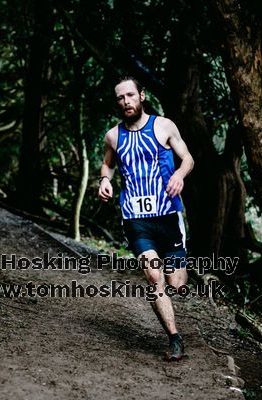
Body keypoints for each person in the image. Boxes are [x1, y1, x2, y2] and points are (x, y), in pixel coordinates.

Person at [98, 77, 194, 361]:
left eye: (130, 95)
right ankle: (174, 338)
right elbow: (107, 163)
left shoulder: (164, 126)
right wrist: (105, 180)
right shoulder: (113, 136)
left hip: (168, 215)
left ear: (141, 96)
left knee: (177, 284)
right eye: (120, 98)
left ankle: (174, 281)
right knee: (155, 277)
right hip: (136, 217)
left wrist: (178, 174)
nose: (126, 101)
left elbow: (187, 158)